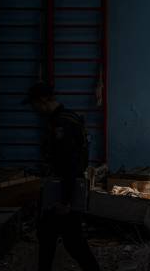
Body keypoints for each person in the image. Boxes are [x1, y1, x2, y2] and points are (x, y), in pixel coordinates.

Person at [24, 82, 101, 271]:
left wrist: (65, 200)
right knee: (52, 238)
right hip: (64, 188)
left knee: (71, 241)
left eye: (34, 105)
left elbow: (69, 165)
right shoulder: (68, 118)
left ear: (42, 101)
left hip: (64, 190)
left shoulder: (62, 124)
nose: (34, 110)